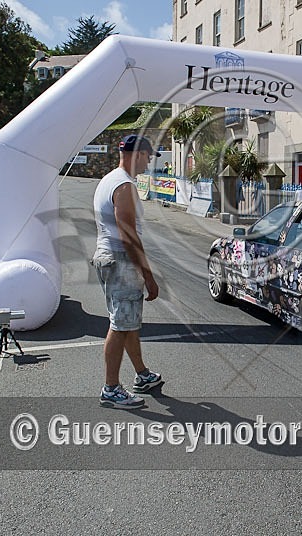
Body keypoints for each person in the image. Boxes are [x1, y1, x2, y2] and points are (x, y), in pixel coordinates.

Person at [92, 134, 163, 408]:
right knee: (120, 326)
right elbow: (128, 236)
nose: (149, 163)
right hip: (120, 260)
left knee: (127, 321)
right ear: (139, 154)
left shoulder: (109, 179)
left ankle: (142, 374)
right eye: (148, 157)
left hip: (108, 256)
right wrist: (148, 276)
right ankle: (110, 388)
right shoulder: (124, 185)